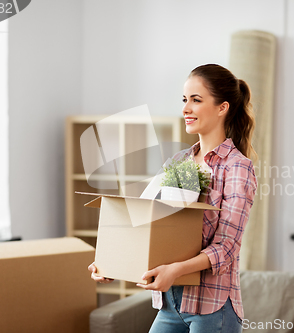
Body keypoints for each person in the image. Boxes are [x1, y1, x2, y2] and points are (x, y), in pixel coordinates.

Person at [88, 63, 258, 333]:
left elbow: (226, 248)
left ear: (222, 107)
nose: (186, 109)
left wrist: (174, 271)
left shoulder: (236, 168)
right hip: (169, 305)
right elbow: (148, 224)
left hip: (212, 308)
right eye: (184, 100)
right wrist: (111, 261)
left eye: (196, 100)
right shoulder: (179, 162)